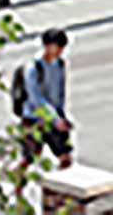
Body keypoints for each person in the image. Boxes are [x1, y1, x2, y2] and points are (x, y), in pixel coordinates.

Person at [20, 28, 73, 171]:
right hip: (34, 118)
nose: (60, 51)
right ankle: (17, 187)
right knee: (29, 158)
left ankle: (60, 190)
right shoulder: (34, 68)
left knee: (65, 157)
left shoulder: (60, 65)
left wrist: (61, 115)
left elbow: (60, 93)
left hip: (55, 117)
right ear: (47, 46)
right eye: (58, 47)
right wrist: (54, 118)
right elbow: (35, 98)